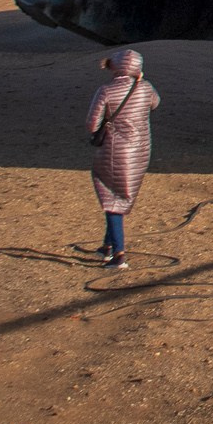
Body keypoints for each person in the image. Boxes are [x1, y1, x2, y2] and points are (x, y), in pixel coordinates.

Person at [86, 49, 160, 270]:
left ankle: (119, 254)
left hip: (114, 150)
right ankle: (107, 246)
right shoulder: (146, 88)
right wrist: (141, 80)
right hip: (140, 151)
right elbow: (155, 103)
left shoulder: (106, 91)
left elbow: (91, 124)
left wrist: (106, 124)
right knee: (120, 195)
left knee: (113, 199)